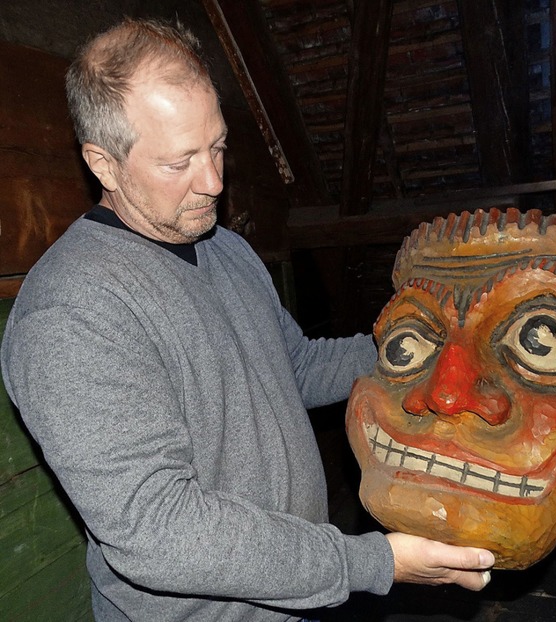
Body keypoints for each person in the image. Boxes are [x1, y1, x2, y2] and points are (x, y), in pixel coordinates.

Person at [0, 18, 494, 622]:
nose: (212, 182)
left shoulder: (225, 249)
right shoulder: (71, 311)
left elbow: (296, 366)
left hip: (296, 595)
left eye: (217, 147)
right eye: (178, 161)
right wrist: (370, 564)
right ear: (103, 164)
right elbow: (157, 530)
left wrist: (419, 349)